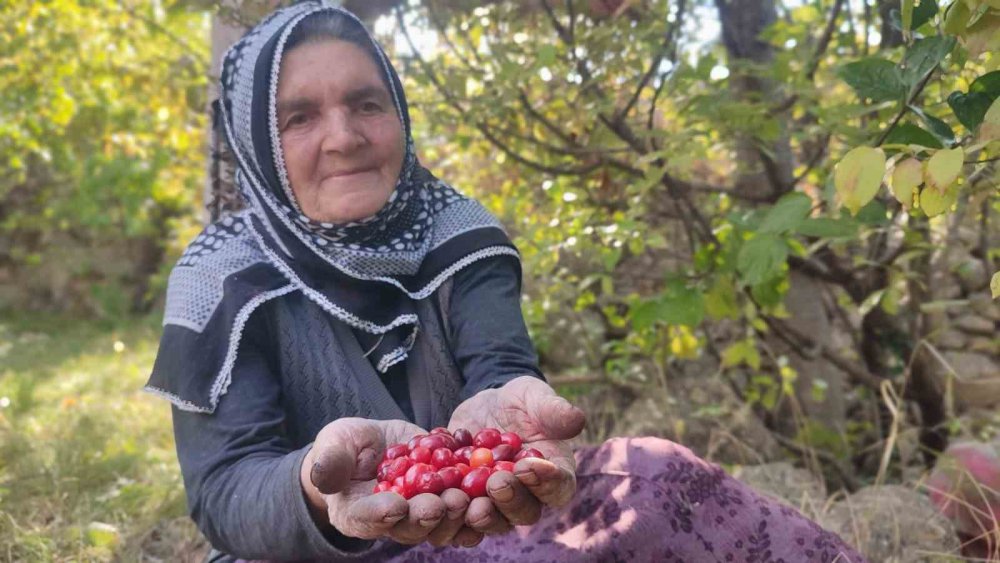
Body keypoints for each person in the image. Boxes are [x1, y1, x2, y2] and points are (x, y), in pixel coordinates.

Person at [145, 2, 866, 561]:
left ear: (398, 110)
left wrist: (505, 413)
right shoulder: (219, 278)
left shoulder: (458, 234)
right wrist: (315, 485)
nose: (344, 136)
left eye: (367, 103)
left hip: (474, 533)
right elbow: (223, 488)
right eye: (299, 117)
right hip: (303, 551)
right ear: (256, 145)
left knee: (652, 477)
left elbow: (499, 375)